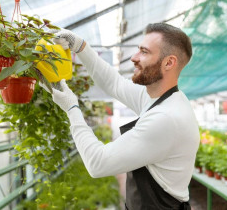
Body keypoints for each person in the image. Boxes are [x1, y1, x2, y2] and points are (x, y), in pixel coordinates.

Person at [46, 23, 200, 210]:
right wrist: (79, 46)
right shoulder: (159, 98)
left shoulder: (166, 118)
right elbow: (114, 83)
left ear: (169, 62)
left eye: (144, 52)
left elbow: (98, 163)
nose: (134, 58)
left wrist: (72, 109)